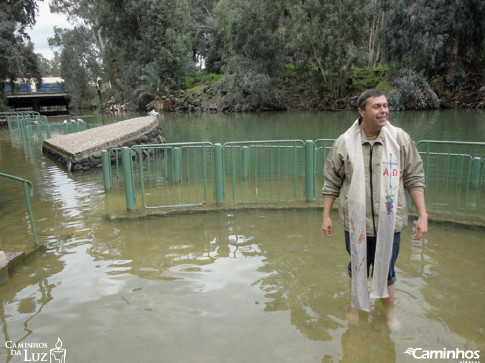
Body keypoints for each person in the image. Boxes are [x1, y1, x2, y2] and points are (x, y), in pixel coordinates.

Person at [321, 89, 428, 330]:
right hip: (356, 223)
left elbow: (414, 177)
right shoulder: (344, 142)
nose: (384, 111)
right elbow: (332, 182)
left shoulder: (399, 139)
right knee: (356, 267)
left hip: (390, 222)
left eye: (385, 105)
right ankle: (355, 309)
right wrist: (326, 215)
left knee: (387, 269)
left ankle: (389, 314)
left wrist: (422, 214)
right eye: (377, 106)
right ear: (362, 111)